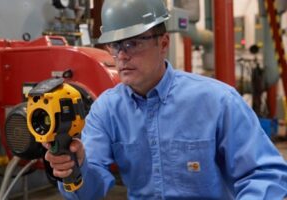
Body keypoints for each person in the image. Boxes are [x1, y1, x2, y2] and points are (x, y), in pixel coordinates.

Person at [44, 0, 287, 199]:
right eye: (115, 46)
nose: (122, 56)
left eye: (133, 43)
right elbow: (91, 191)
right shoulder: (106, 110)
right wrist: (75, 169)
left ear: (163, 44)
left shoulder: (217, 101)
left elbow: (264, 174)